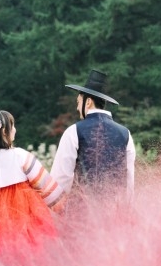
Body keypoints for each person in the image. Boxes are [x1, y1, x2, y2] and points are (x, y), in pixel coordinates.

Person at [0, 110, 64, 256]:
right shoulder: (21, 155)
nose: (15, 129)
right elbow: (45, 185)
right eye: (12, 126)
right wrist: (63, 208)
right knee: (31, 253)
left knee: (0, 255)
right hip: (25, 212)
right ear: (3, 131)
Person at [51, 69, 136, 201]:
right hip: (115, 214)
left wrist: (56, 208)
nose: (77, 108)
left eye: (78, 102)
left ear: (88, 102)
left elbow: (61, 178)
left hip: (81, 213)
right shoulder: (125, 134)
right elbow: (129, 178)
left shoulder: (73, 131)